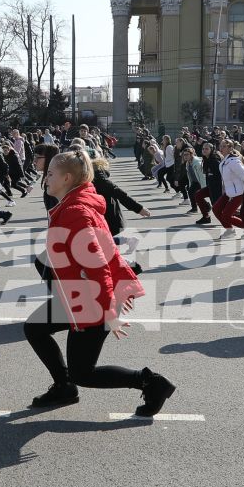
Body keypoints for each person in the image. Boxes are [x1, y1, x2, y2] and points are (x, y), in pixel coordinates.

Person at [24, 149, 175, 415]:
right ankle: (64, 386)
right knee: (35, 328)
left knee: (84, 372)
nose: (45, 178)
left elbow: (98, 267)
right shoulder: (72, 204)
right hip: (79, 294)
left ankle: (151, 383)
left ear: (67, 178)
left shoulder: (76, 212)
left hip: (94, 299)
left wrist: (108, 311)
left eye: (50, 174)